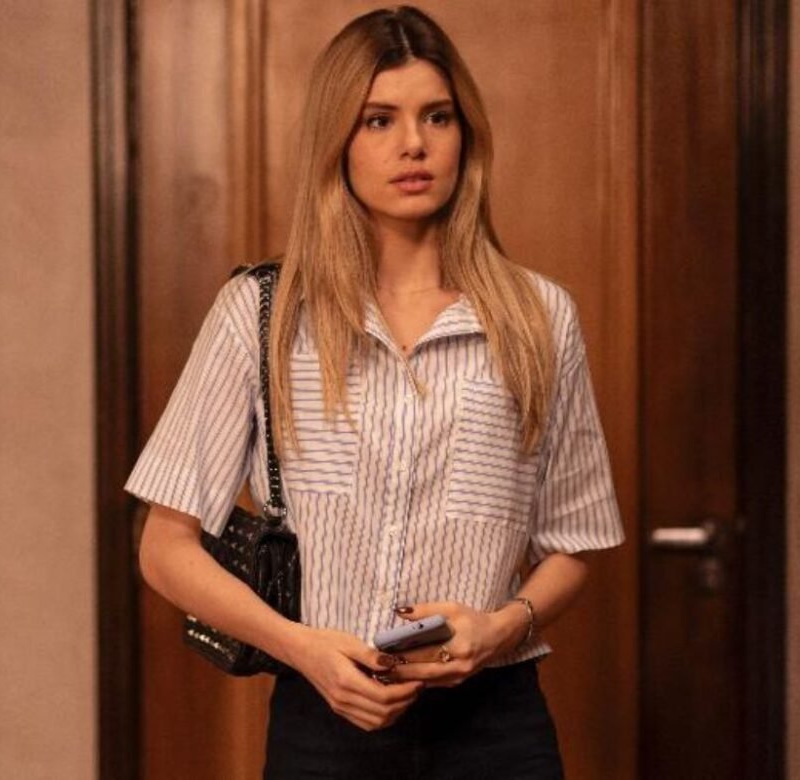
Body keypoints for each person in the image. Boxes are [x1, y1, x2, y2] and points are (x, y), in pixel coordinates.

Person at [127, 5, 624, 778]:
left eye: (437, 116)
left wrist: (500, 628)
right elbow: (164, 548)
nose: (413, 144)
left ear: (466, 135)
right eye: (378, 120)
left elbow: (575, 543)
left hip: (497, 730)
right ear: (338, 141)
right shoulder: (263, 314)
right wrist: (300, 648)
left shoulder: (538, 316)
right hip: (322, 725)